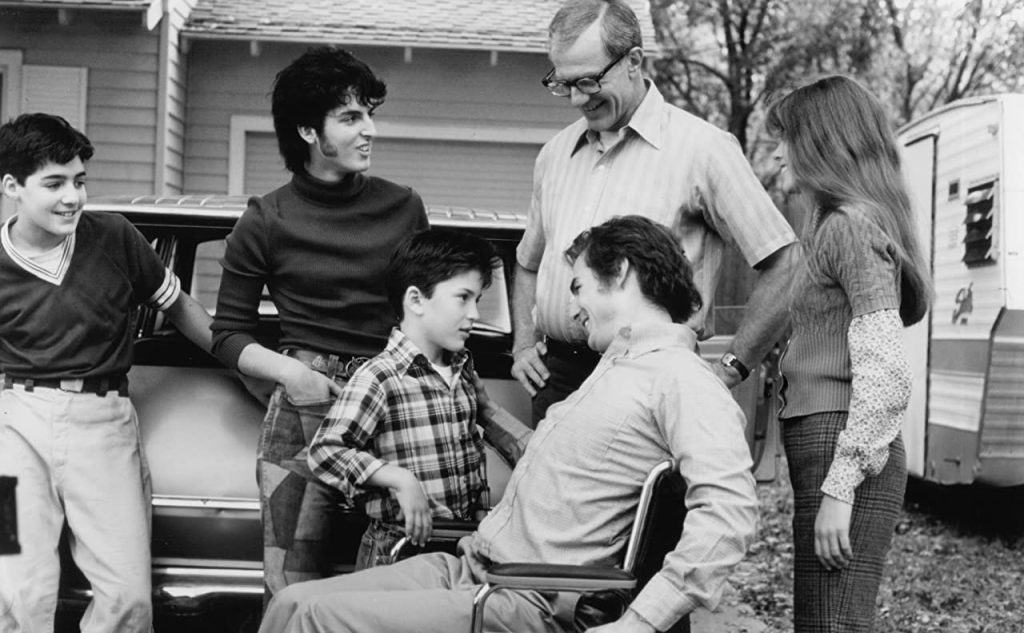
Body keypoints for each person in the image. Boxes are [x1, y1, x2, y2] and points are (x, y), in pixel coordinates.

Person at [257, 215, 759, 633]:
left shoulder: (680, 378)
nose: (573, 310)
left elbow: (729, 514)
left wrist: (641, 624)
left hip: (522, 598)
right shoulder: (613, 369)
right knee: (291, 604)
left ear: (622, 273)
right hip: (472, 565)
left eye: (578, 287)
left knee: (316, 621)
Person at [511, 0, 798, 425]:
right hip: (557, 382)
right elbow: (527, 264)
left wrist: (731, 368)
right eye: (563, 83)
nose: (576, 99)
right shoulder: (554, 155)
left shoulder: (704, 149)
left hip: (650, 383)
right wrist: (522, 344)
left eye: (588, 81)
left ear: (633, 61)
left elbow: (785, 262)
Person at [210, 46, 429, 596]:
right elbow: (228, 335)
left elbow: (426, 312)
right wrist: (293, 374)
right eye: (351, 117)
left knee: (393, 586)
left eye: (369, 114)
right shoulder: (266, 219)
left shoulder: (404, 207)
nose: (369, 129)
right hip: (303, 413)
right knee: (291, 584)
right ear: (308, 131)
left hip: (391, 405)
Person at [0, 113, 213, 633]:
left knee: (127, 596)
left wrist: (252, 364)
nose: (72, 197)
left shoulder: (114, 237)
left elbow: (181, 308)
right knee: (16, 591)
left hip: (103, 419)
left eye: (79, 181)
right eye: (54, 183)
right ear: (12, 187)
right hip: (12, 426)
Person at [766, 75, 931, 632]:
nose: (778, 151)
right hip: (828, 439)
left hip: (840, 443)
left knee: (832, 625)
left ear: (821, 142)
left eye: (786, 137)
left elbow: (885, 372)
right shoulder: (835, 225)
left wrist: (841, 487)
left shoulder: (849, 228)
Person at [307, 229, 532, 571]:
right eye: (463, 298)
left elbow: (484, 439)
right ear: (415, 300)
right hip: (398, 550)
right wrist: (398, 478)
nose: (474, 313)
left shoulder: (462, 370)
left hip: (458, 545)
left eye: (478, 300)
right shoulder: (381, 376)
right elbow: (325, 451)